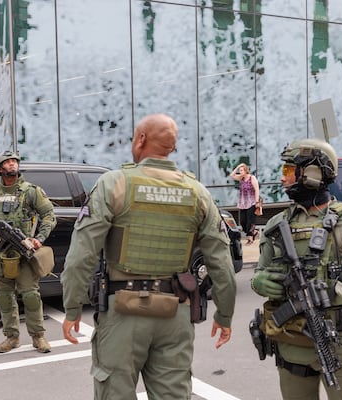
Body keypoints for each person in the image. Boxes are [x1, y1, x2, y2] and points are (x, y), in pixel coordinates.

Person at [60, 113, 236, 399]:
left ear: (141, 139)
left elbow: (82, 255)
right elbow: (222, 265)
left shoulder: (114, 184)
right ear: (172, 147)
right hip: (175, 313)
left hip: (123, 311)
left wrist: (72, 307)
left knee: (115, 391)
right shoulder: (198, 193)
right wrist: (224, 315)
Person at [251, 138, 342, 400]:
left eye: (288, 171)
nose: (282, 178)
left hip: (340, 346)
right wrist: (259, 282)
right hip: (291, 343)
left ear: (312, 174)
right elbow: (260, 272)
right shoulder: (277, 225)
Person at [0, 150, 56, 353]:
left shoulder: (31, 191)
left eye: (14, 161)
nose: (12, 164)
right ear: (0, 169)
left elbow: (49, 215)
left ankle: (39, 337)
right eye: (7, 162)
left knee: (30, 295)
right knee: (4, 295)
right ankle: (11, 337)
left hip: (24, 252)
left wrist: (39, 239)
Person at [230, 162, 260, 244]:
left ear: (246, 170)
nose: (240, 172)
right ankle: (254, 232)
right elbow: (232, 175)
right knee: (243, 222)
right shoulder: (241, 178)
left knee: (250, 221)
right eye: (239, 170)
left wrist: (257, 201)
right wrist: (237, 167)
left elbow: (257, 189)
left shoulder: (252, 178)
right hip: (243, 204)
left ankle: (250, 238)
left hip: (252, 202)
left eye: (242, 170)